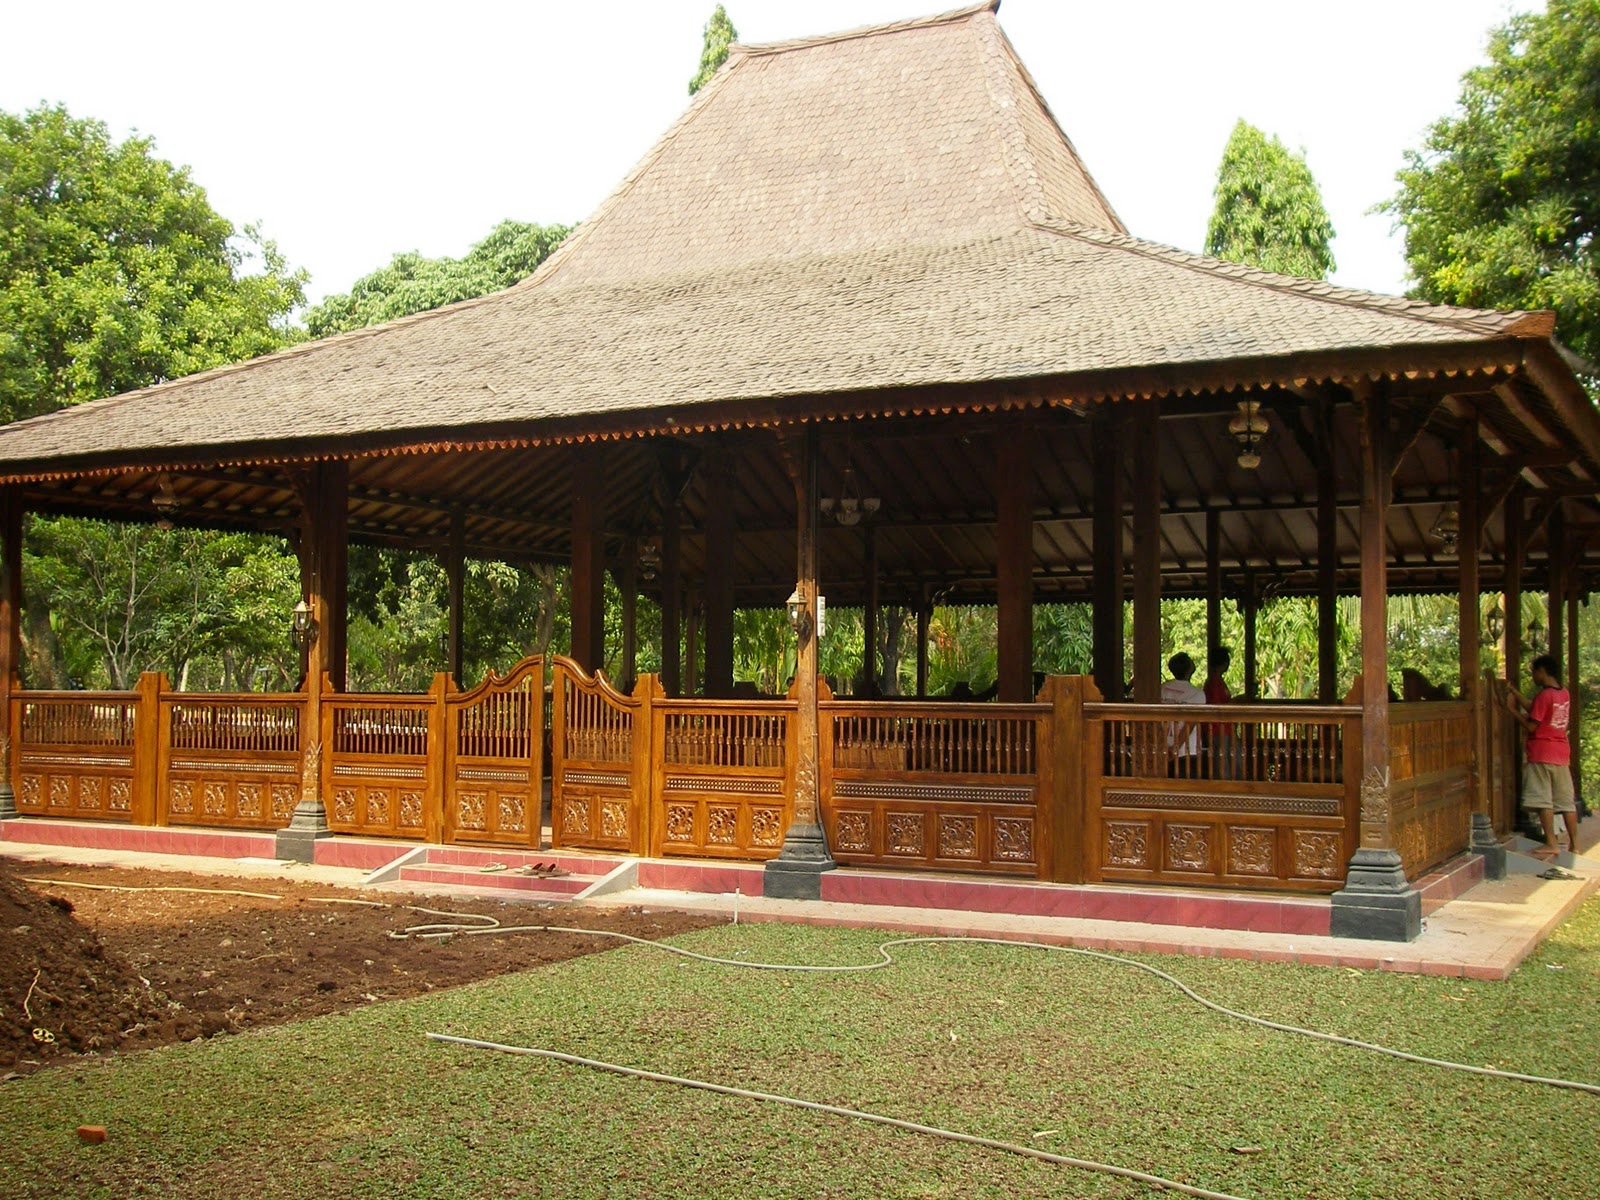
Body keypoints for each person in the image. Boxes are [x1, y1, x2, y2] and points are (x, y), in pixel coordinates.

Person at [1506, 654, 1579, 859]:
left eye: (1534, 672)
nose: (1533, 677)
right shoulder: (1563, 694)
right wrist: (1514, 691)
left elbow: (1531, 724)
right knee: (1566, 802)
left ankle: (1551, 842)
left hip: (1542, 752)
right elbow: (1535, 707)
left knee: (1543, 800)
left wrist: (1512, 711)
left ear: (1542, 671)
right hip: (1561, 753)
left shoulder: (1544, 696)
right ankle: (1575, 845)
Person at [1161, 652, 1206, 774]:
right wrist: (1176, 747)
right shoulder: (1196, 694)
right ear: (1190, 669)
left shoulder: (1162, 689)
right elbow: (1189, 725)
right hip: (1187, 749)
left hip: (1164, 746)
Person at [1204, 645, 1235, 779]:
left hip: (1224, 728)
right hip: (1218, 728)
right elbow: (1218, 706)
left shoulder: (1217, 680)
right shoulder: (1214, 682)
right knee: (1222, 761)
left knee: (1226, 758)